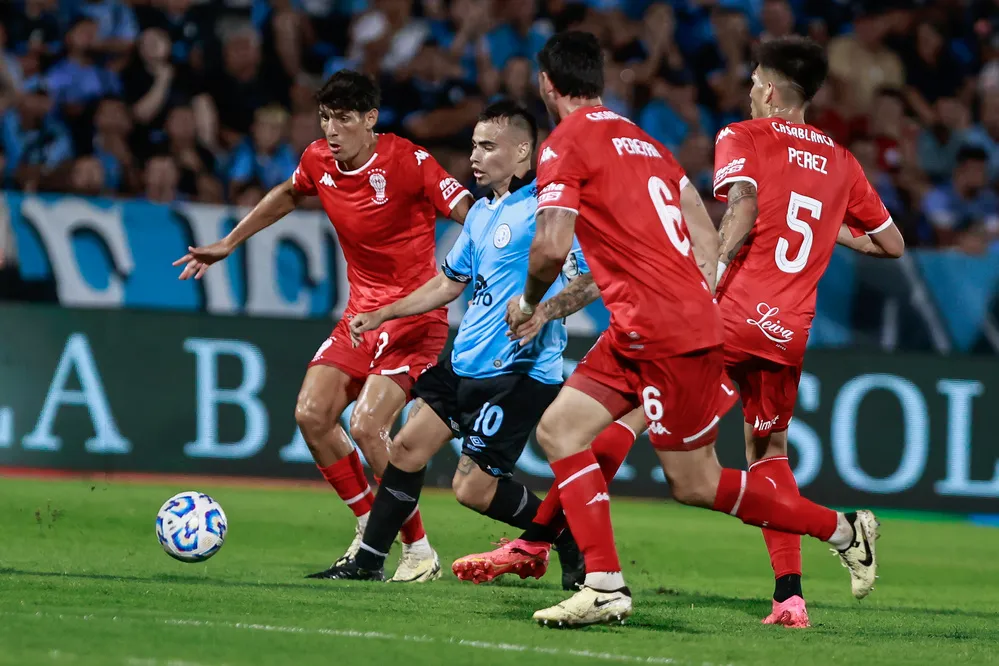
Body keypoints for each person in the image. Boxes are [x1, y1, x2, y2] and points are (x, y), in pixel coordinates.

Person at [505, 31, 884, 628]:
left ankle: (836, 529)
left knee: (694, 480)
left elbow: (556, 246)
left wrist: (532, 302)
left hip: (687, 323)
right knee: (564, 430)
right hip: (754, 324)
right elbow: (889, 242)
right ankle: (596, 578)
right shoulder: (646, 142)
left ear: (547, 85)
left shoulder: (578, 142)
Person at [173, 70, 472, 583]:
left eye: (345, 119)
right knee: (312, 414)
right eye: (326, 118)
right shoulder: (318, 160)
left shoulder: (409, 161)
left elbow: (469, 212)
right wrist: (229, 242)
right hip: (360, 317)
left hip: (413, 320)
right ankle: (366, 530)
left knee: (367, 427)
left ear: (370, 120)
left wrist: (500, 266)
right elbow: (288, 194)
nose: (332, 130)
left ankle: (418, 551)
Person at [308, 100, 591, 582]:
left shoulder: (547, 208)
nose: (474, 157)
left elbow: (588, 280)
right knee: (405, 449)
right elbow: (449, 282)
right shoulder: (482, 211)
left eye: (487, 146)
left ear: (523, 150)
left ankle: (564, 535)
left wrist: (543, 311)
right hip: (464, 367)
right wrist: (382, 312)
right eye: (473, 145)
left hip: (518, 371)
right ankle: (369, 561)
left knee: (473, 491)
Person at [712, 35, 905, 627]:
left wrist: (710, 275)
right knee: (767, 452)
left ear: (769, 89)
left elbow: (740, 209)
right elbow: (892, 243)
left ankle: (560, 552)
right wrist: (833, 233)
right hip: (786, 332)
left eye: (752, 83)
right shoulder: (843, 162)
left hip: (731, 315)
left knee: (627, 414)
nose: (748, 93)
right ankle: (790, 596)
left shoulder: (742, 137)